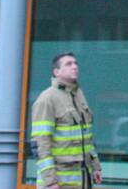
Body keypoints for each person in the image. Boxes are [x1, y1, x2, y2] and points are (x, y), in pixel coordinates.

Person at [31, 52, 103, 189]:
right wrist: (50, 181)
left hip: (82, 180)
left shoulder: (78, 95)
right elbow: (41, 143)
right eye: (69, 64)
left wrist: (96, 167)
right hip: (59, 182)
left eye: (75, 63)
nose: (75, 67)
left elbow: (87, 137)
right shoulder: (47, 99)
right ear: (56, 72)